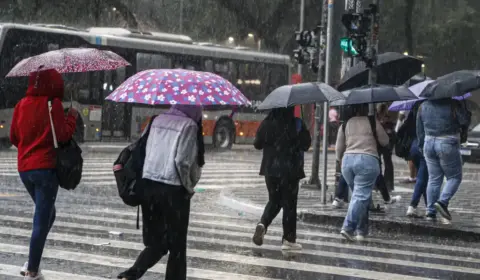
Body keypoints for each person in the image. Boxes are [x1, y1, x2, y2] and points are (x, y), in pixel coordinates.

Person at [118, 104, 204, 280]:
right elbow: (182, 161)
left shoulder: (156, 120)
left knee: (157, 242)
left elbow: (143, 150)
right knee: (177, 247)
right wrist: (188, 186)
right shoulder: (189, 125)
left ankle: (131, 274)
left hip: (148, 187)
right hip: (173, 190)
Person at [10, 69, 78, 280]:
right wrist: (72, 118)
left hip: (25, 169)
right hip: (46, 169)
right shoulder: (52, 103)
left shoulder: (21, 104)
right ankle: (32, 270)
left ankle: (32, 259)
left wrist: (30, 143)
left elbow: (14, 137)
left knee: (49, 213)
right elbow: (63, 134)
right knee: (41, 219)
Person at [252, 107, 311, 250]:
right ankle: (288, 240)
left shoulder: (267, 122)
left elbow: (257, 144)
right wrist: (303, 131)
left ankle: (263, 224)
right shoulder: (296, 123)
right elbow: (306, 145)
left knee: (274, 200)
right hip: (290, 170)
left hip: (270, 170)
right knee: (289, 204)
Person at [336, 104, 389, 241]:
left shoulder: (345, 124)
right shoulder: (372, 121)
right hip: (367, 160)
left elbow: (338, 148)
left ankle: (361, 230)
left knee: (359, 196)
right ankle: (348, 227)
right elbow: (385, 141)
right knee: (360, 196)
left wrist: (340, 159)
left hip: (348, 162)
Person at [417, 98, 469, 221]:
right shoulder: (453, 104)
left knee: (434, 179)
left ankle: (430, 212)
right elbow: (464, 121)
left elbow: (419, 128)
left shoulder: (423, 105)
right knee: (454, 177)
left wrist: (421, 145)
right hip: (447, 141)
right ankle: (442, 202)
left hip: (428, 142)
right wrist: (464, 109)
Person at [399, 102, 428, 217]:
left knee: (424, 177)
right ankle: (412, 206)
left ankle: (429, 207)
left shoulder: (415, 109)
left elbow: (403, 128)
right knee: (422, 177)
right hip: (423, 146)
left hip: (414, 147)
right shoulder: (428, 109)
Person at [376, 103, 395, 191]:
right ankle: (380, 183)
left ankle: (387, 184)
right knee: (379, 162)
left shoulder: (387, 120)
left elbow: (391, 131)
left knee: (386, 162)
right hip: (380, 143)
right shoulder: (376, 119)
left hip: (386, 143)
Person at [396, 110, 417, 183]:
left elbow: (401, 116)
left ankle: (412, 176)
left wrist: (396, 130)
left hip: (410, 131)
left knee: (410, 156)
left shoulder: (407, 102)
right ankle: (416, 175)